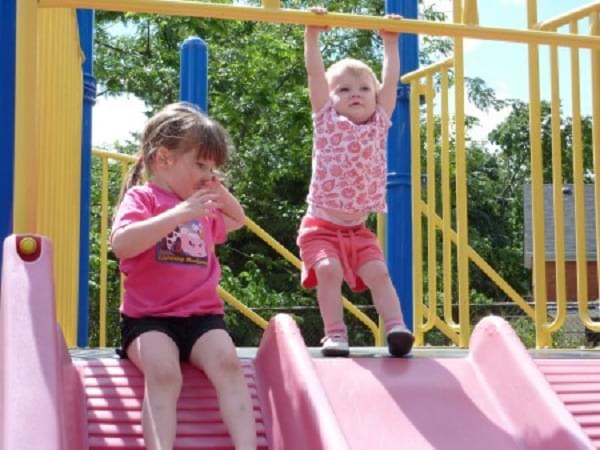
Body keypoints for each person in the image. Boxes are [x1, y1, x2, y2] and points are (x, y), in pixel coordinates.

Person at [111, 102, 257, 450]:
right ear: (165, 159)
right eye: (201, 164)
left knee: (228, 364)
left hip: (201, 317)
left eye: (214, 168)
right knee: (163, 373)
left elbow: (237, 221)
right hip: (148, 320)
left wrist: (219, 192)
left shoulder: (203, 204)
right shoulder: (143, 198)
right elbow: (122, 244)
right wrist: (177, 214)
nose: (208, 175)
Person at [298, 9, 414, 357]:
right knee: (329, 271)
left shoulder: (381, 120)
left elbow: (391, 81)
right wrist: (312, 34)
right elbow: (315, 73)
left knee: (379, 272)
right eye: (344, 89)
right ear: (330, 98)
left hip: (359, 231)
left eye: (364, 88)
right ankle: (335, 334)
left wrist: (391, 44)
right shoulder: (326, 120)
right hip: (321, 227)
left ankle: (396, 328)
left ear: (375, 96)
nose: (356, 94)